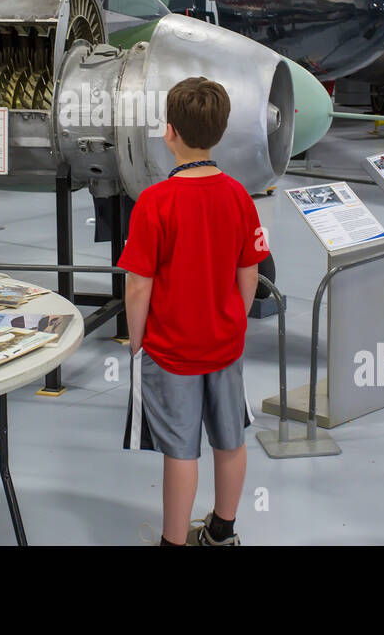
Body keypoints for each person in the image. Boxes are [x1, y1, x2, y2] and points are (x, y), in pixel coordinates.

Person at [119, 77, 268, 546]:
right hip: (224, 345)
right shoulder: (240, 197)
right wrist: (233, 321)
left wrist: (137, 338)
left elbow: (138, 285)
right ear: (220, 131)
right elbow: (250, 274)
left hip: (172, 348)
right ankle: (223, 531)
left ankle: (173, 541)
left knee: (181, 451)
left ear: (170, 132)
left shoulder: (154, 202)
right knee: (230, 439)